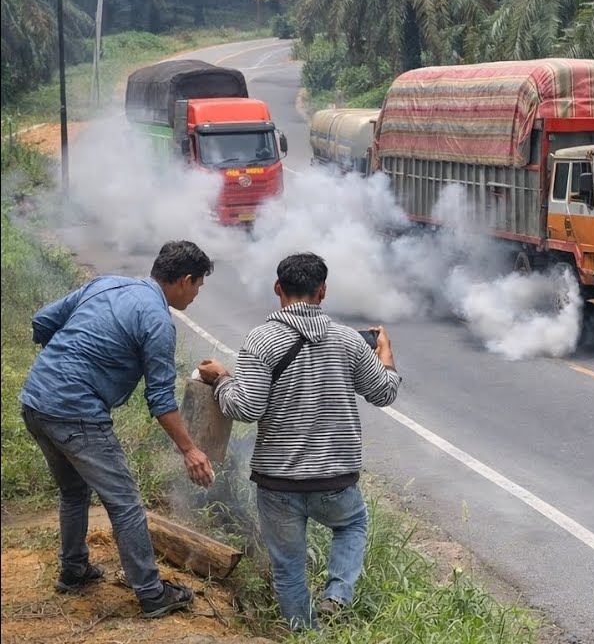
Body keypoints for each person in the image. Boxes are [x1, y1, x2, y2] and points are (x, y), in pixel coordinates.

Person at [197, 252, 401, 630]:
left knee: (289, 567)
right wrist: (385, 355)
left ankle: (305, 634)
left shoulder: (261, 340)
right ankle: (336, 597)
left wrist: (222, 378)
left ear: (278, 288)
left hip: (278, 483)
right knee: (351, 525)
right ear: (322, 292)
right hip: (336, 480)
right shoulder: (349, 341)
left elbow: (245, 407)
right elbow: (384, 393)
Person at [20, 240, 216, 619]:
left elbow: (42, 321)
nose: (195, 295)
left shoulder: (106, 284)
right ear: (185, 280)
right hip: (75, 413)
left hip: (35, 400)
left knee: (74, 491)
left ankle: (74, 570)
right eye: (197, 287)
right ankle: (151, 593)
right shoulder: (158, 321)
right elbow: (161, 401)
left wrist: (63, 365)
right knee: (125, 503)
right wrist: (191, 450)